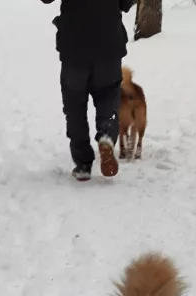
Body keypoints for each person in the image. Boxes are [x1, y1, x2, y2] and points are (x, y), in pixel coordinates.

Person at [41, 0, 137, 181]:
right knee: (108, 96)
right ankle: (106, 136)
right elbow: (126, 3)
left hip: (74, 51)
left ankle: (83, 164)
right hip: (108, 47)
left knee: (74, 106)